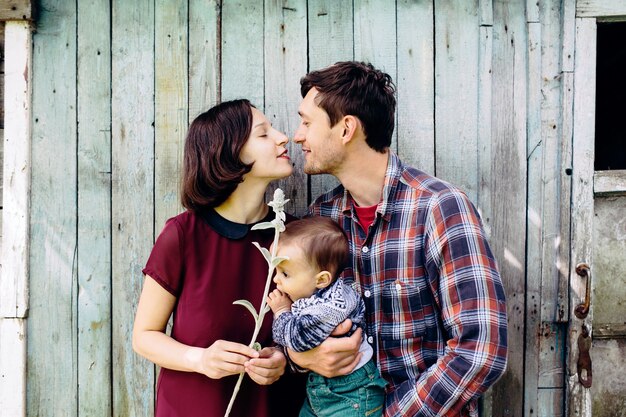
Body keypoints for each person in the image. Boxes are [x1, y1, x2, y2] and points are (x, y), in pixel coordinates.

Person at [288, 61, 508, 416]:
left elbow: (480, 350)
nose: (298, 135)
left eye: (307, 122)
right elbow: (298, 319)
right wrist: (300, 355)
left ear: (346, 129)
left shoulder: (439, 208)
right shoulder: (321, 218)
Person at [132, 99, 305, 417]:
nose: (283, 137)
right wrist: (199, 359)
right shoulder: (183, 236)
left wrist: (284, 358)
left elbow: (312, 326)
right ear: (229, 153)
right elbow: (144, 337)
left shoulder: (294, 237)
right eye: (263, 134)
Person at [266, 217, 387, 417]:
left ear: (321, 279)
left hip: (352, 395)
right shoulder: (320, 294)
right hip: (324, 390)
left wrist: (281, 311)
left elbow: (296, 339)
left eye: (285, 274)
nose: (276, 279)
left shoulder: (330, 308)